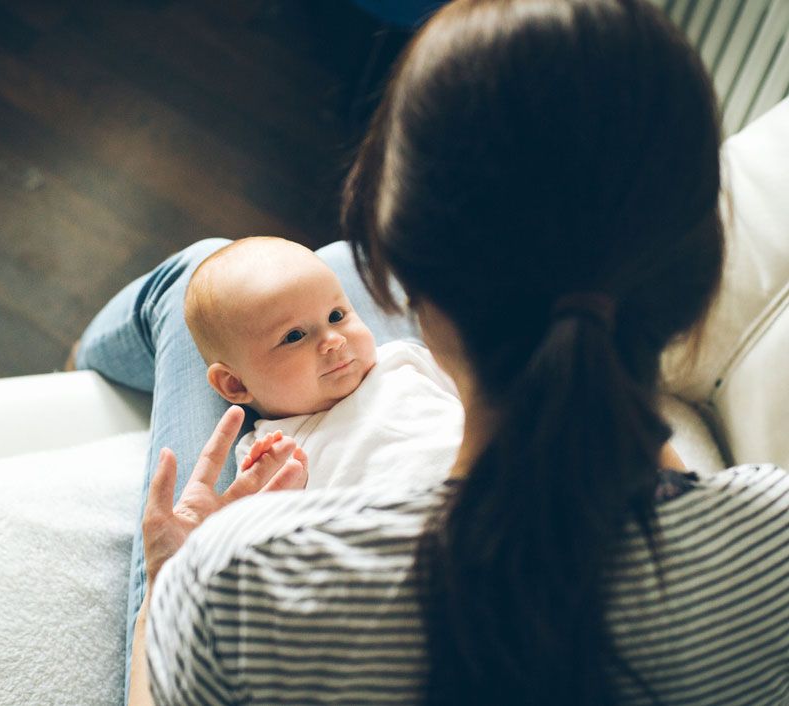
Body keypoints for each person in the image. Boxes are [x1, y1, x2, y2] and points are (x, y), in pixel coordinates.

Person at [75, 0, 789, 704]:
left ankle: (87, 355)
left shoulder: (238, 583)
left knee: (193, 271)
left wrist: (165, 588)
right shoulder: (771, 541)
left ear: (401, 282)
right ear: (697, 276)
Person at [184, 235, 464, 489]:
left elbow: (482, 401)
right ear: (234, 383)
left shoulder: (402, 360)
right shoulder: (269, 452)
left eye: (337, 316)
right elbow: (265, 528)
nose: (334, 340)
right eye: (294, 336)